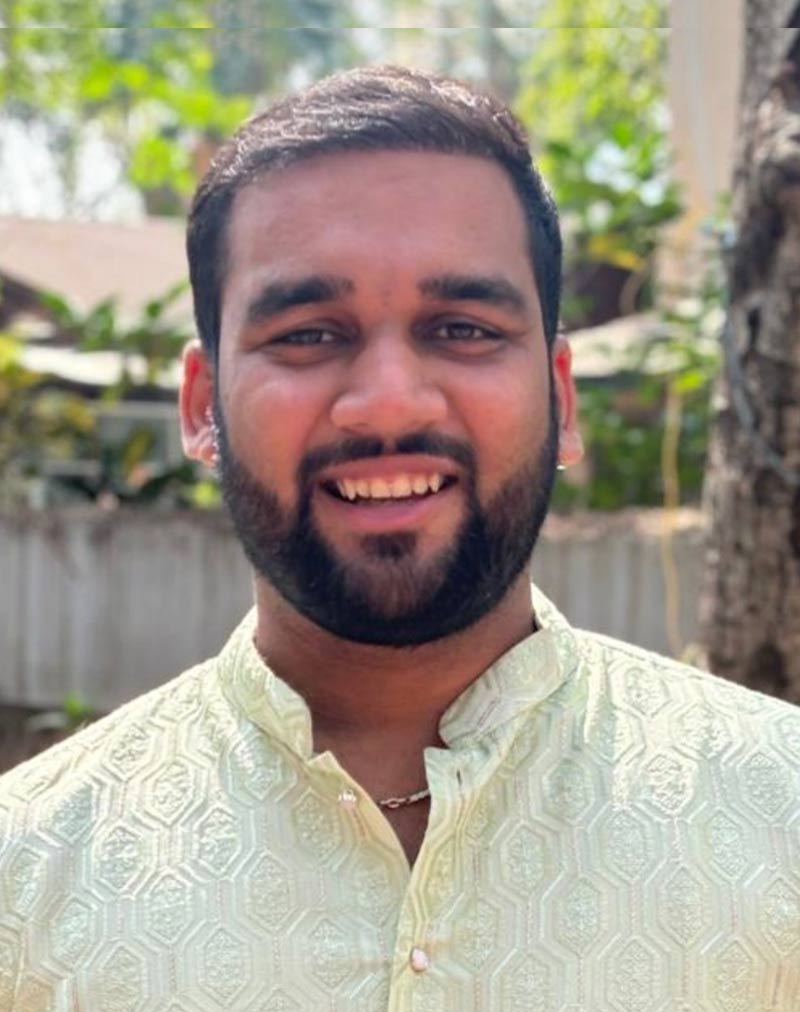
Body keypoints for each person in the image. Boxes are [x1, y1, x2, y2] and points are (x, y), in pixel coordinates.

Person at [1, 65, 799, 1012]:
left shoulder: (779, 815)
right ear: (203, 403)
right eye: (309, 334)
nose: (388, 402)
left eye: (461, 328)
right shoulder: (25, 882)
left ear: (562, 396)